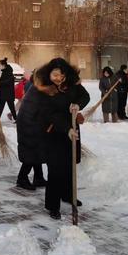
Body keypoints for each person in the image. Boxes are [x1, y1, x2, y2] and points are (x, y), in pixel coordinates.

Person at [34, 58, 90, 220]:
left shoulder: (71, 86)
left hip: (71, 132)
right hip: (54, 133)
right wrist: (67, 129)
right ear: (49, 74)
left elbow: (84, 96)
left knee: (69, 166)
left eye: (61, 75)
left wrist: (78, 105)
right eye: (55, 75)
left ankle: (68, 195)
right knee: (56, 170)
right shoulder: (44, 90)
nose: (58, 78)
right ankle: (53, 205)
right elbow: (50, 114)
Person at [15, 78, 48, 191]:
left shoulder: (38, 88)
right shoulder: (39, 90)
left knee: (36, 152)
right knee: (31, 153)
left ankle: (38, 177)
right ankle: (22, 179)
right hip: (28, 125)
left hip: (30, 123)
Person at [0, 57, 17, 121]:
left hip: (9, 93)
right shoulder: (2, 72)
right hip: (3, 92)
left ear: (3, 65)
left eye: (0, 65)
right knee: (0, 106)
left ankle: (16, 119)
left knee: (11, 107)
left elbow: (7, 82)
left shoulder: (9, 72)